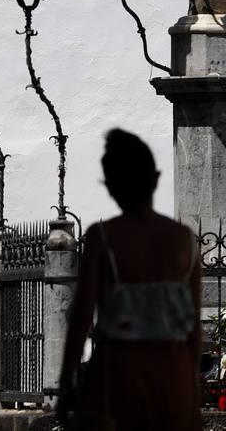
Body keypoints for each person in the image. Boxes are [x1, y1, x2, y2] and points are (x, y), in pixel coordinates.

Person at [57, 129, 203, 431]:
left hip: (118, 373)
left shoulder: (103, 238)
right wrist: (192, 392)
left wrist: (67, 380)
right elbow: (193, 327)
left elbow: (82, 315)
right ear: (155, 179)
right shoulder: (185, 241)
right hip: (173, 375)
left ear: (113, 186)